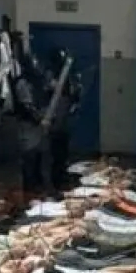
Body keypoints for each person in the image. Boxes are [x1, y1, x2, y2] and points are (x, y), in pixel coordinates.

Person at [12, 49, 50, 198]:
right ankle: (29, 194)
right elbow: (26, 106)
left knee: (40, 158)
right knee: (29, 159)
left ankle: (38, 188)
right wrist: (39, 119)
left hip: (38, 125)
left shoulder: (38, 82)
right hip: (28, 125)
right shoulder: (22, 83)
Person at [46, 48, 82, 191]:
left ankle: (61, 178)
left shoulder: (68, 77)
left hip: (64, 122)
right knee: (56, 155)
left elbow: (74, 96)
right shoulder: (52, 77)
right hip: (55, 122)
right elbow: (50, 94)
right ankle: (56, 182)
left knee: (63, 153)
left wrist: (76, 93)